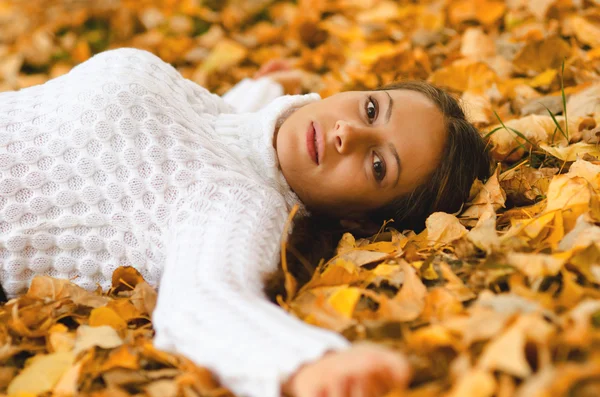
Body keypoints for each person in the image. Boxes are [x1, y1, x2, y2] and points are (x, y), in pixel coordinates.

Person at [0, 48, 491, 397]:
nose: (347, 133)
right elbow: (217, 120)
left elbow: (203, 299)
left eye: (378, 165)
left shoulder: (237, 204)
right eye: (371, 109)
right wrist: (264, 85)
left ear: (355, 218)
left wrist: (305, 365)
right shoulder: (227, 115)